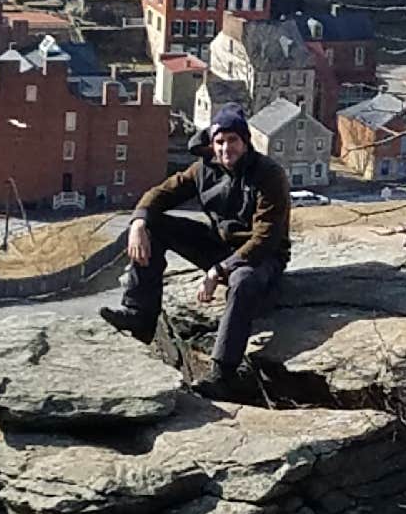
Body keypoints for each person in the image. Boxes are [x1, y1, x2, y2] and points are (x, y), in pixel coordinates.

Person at [99, 104, 291, 398]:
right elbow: (161, 193)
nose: (226, 148)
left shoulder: (269, 175)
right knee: (154, 226)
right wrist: (138, 222)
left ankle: (223, 373)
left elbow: (266, 237)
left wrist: (220, 270)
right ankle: (140, 313)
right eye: (220, 141)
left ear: (245, 141)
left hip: (261, 256)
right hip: (219, 246)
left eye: (233, 140)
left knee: (243, 281)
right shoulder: (204, 169)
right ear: (212, 144)